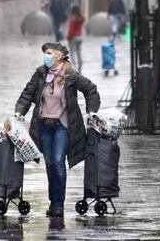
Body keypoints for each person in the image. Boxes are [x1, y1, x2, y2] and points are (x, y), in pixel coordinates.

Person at [14, 42, 101, 217]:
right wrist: (19, 111)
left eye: (48, 53)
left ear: (59, 56)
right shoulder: (40, 73)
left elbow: (91, 90)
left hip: (63, 125)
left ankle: (58, 205)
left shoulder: (71, 75)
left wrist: (91, 111)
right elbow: (28, 93)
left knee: (59, 161)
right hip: (43, 124)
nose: (45, 56)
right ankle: (54, 200)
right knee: (50, 164)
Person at [66, 5, 85, 72]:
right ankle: (80, 68)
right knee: (79, 53)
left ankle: (74, 69)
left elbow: (71, 31)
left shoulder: (73, 19)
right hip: (80, 37)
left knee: (72, 53)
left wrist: (68, 38)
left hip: (73, 38)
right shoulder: (81, 18)